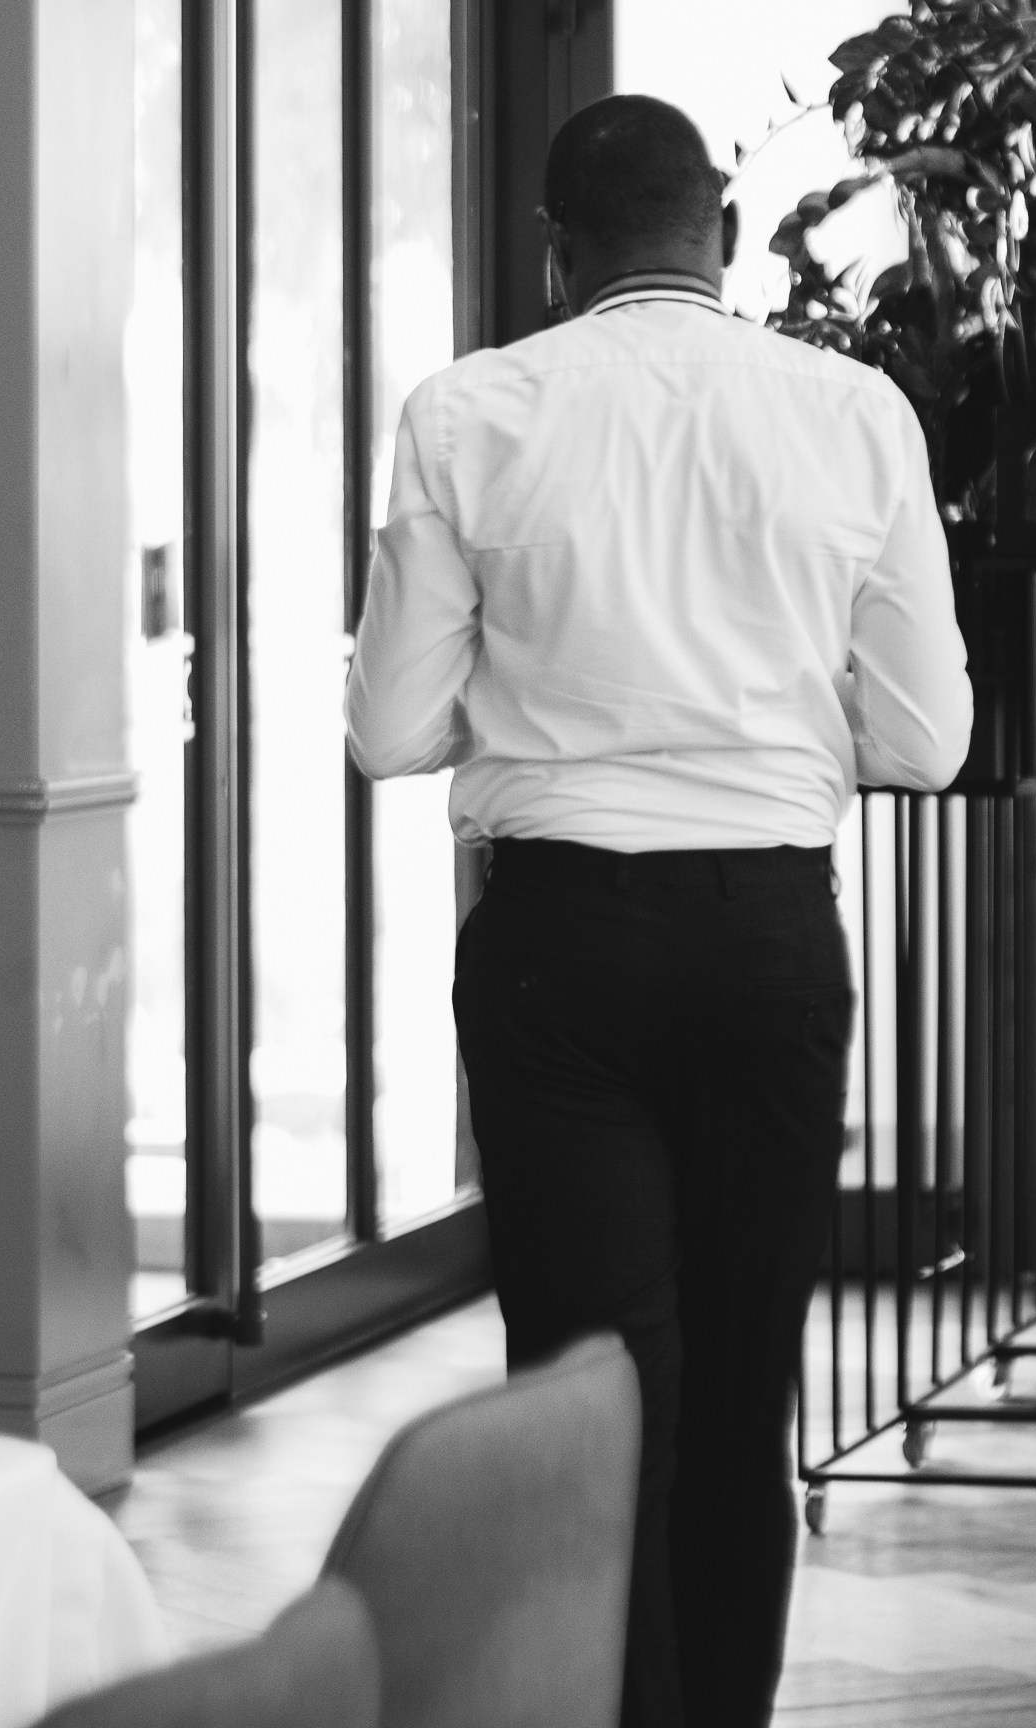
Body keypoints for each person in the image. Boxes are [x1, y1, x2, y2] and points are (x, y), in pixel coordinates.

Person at [345, 93, 971, 1728]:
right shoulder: (855, 409)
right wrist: (763, 719)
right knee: (738, 1389)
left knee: (589, 1398)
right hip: (770, 940)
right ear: (730, 239)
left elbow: (392, 732)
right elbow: (928, 739)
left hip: (558, 950)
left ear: (559, 259)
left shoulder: (467, 411)